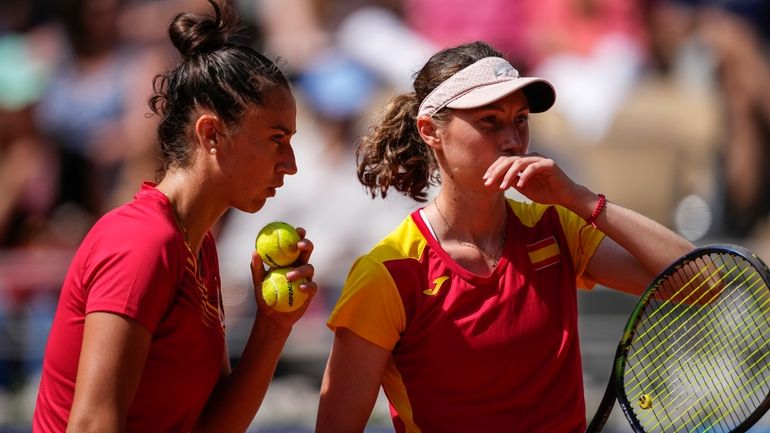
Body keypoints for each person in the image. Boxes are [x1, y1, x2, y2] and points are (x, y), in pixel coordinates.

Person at [315, 41, 694, 433]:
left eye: (521, 119)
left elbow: (703, 282)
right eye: (490, 121)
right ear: (430, 131)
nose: (513, 140)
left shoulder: (558, 226)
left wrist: (580, 199)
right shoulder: (388, 273)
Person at [32, 1, 317, 432]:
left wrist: (273, 328)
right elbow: (92, 424)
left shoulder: (197, 247)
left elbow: (212, 427)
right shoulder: (141, 243)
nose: (290, 162)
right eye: (277, 138)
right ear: (212, 134)